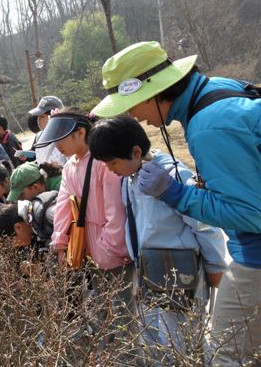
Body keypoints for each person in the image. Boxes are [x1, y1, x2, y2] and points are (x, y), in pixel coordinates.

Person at [91, 41, 261, 365]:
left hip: (255, 255)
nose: (134, 116)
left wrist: (176, 194)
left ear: (152, 91)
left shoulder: (209, 126)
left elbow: (252, 215)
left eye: (132, 104)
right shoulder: (215, 93)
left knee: (226, 355)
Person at [88, 115, 227, 364]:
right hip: (150, 274)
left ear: (136, 151)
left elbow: (205, 224)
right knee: (155, 342)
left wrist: (216, 266)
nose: (109, 170)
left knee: (183, 343)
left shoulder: (172, 173)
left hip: (180, 275)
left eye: (112, 163)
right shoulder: (128, 179)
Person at [35, 108, 133, 342]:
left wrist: (110, 248)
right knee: (101, 307)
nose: (57, 145)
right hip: (90, 249)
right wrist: (60, 242)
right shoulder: (70, 166)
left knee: (123, 314)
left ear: (80, 133)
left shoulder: (102, 162)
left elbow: (115, 210)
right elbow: (63, 205)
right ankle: (109, 352)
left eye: (61, 138)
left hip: (112, 252)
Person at [0, 191, 58, 275]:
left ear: (18, 227)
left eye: (11, 241)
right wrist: (41, 269)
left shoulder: (49, 214)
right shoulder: (35, 221)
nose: (15, 245)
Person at [28, 96, 68, 166]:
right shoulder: (39, 136)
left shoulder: (67, 136)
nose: (38, 119)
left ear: (54, 115)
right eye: (38, 116)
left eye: (42, 116)